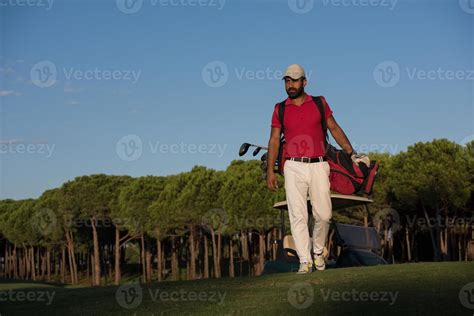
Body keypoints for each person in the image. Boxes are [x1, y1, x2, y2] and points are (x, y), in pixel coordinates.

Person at [266, 64, 360, 274]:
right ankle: (304, 260)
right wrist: (270, 171)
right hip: (293, 166)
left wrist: (351, 153)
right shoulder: (279, 108)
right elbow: (273, 140)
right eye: (287, 81)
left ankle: (318, 251)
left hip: (319, 164)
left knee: (324, 214)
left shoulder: (319, 103)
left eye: (295, 80)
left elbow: (334, 128)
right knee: (297, 215)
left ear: (304, 82)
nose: (290, 85)